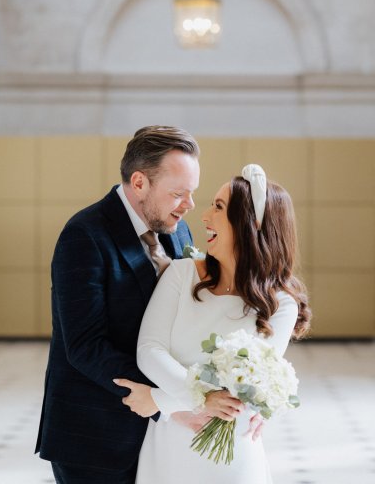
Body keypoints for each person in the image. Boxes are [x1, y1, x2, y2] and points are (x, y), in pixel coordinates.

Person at [115, 164, 311, 484]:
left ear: (249, 225)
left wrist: (159, 400)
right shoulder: (181, 275)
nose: (204, 217)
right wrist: (199, 399)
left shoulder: (280, 303)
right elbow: (149, 350)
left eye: (218, 207)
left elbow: (247, 387)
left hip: (232, 452)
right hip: (168, 447)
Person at [35, 125, 201, 484]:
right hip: (96, 436)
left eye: (192, 193)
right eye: (178, 193)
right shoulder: (84, 235)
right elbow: (84, 346)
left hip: (160, 434)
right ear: (139, 182)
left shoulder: (179, 229)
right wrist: (173, 393)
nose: (189, 205)